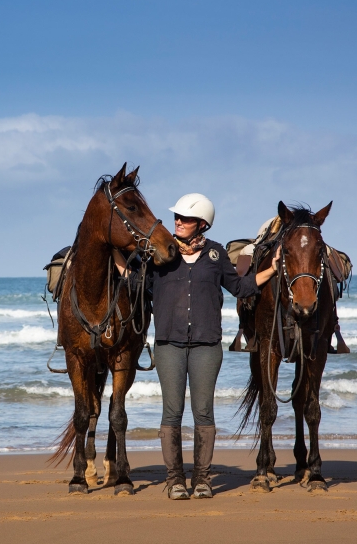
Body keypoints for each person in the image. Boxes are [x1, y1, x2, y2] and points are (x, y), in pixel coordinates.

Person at [114, 193, 279, 500]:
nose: (178, 221)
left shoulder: (216, 255)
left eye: (185, 218)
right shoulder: (161, 254)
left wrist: (271, 270)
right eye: (176, 217)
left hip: (206, 346)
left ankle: (202, 480)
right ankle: (175, 480)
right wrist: (118, 259)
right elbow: (139, 286)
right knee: (172, 413)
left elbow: (240, 287)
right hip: (168, 345)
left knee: (203, 413)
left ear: (201, 223)